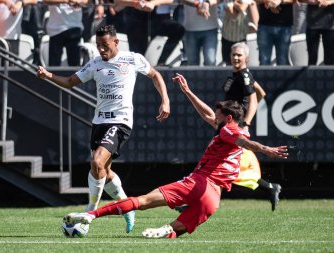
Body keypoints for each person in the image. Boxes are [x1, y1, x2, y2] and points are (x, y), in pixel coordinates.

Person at [62, 80, 288, 238]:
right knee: (174, 230)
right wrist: (188, 92)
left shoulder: (228, 131)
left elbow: (246, 144)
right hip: (213, 199)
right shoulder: (235, 128)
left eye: (218, 114)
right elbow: (209, 116)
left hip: (199, 184)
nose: (214, 115)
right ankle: (166, 231)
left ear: (228, 118)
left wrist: (266, 149)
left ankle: (90, 215)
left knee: (142, 201)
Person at [37, 24, 170, 233]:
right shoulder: (95, 63)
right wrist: (48, 76)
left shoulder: (132, 59)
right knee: (103, 171)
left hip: (121, 121)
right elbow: (71, 82)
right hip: (99, 122)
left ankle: (89, 213)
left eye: (105, 44)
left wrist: (165, 101)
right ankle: (127, 207)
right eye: (98, 45)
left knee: (96, 161)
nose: (101, 49)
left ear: (116, 42)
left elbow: (155, 75)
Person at [224, 42, 282, 211]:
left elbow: (255, 99)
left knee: (221, 162)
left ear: (247, 58)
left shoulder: (244, 76)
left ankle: (194, 200)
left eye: (239, 55)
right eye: (234, 54)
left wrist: (246, 122)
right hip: (230, 124)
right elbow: (261, 93)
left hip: (237, 126)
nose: (236, 57)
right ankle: (270, 188)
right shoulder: (239, 75)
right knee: (225, 163)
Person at [43, 0, 87, 66]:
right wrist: (65, 1)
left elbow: (86, 2)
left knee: (74, 66)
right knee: (54, 66)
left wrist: (79, 2)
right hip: (56, 29)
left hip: (74, 27)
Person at [255, 0, 294, 65]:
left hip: (284, 25)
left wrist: (280, 1)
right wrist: (270, 1)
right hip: (265, 25)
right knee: (264, 61)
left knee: (283, 61)